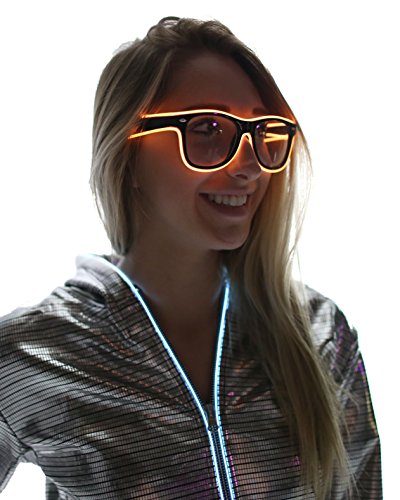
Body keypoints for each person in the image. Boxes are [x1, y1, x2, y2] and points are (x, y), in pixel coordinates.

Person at [0, 16, 381, 500]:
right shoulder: (33, 354)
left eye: (262, 132)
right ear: (128, 153)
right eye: (207, 129)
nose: (249, 165)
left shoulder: (321, 334)